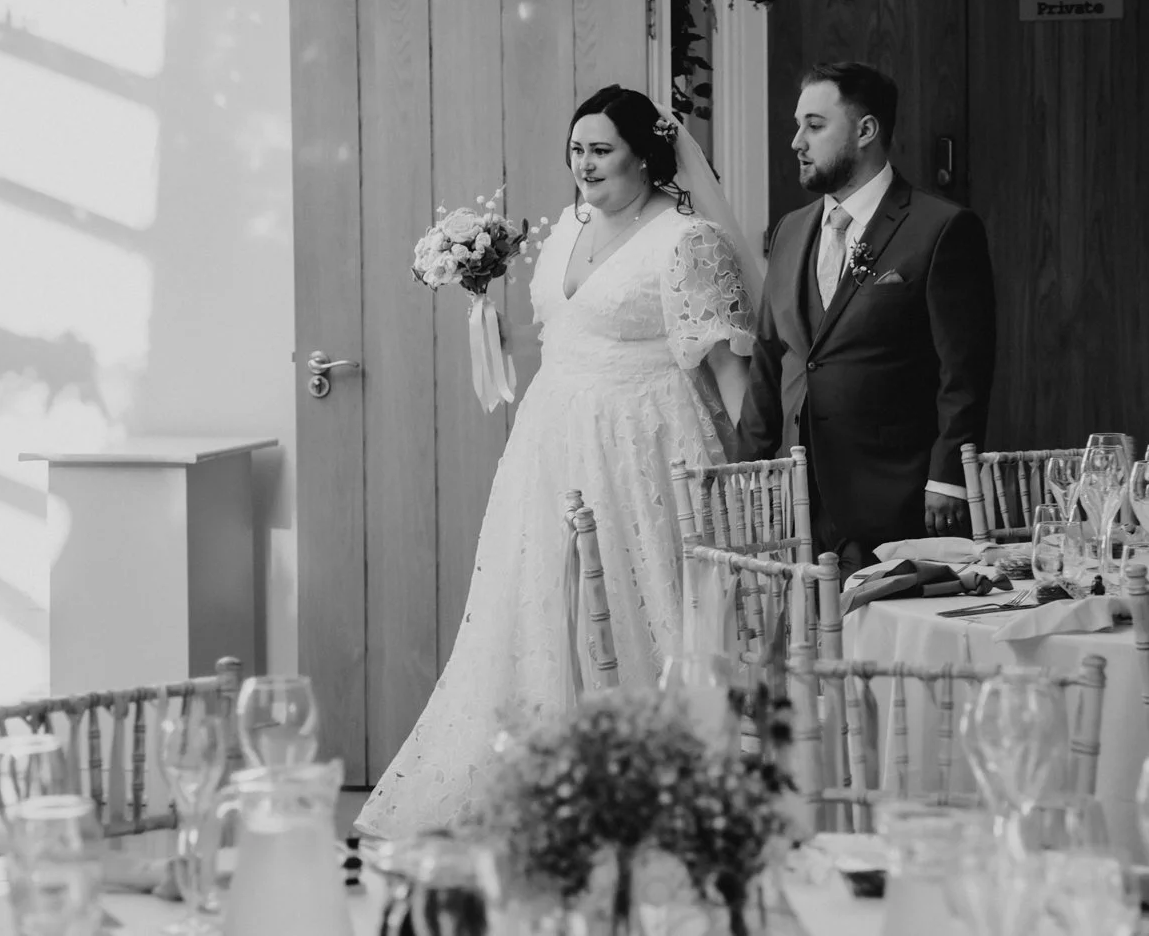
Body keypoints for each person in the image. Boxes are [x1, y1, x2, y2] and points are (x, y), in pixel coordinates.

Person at [355, 84, 763, 838]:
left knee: (646, 602)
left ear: (645, 153)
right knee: (542, 599)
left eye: (601, 149)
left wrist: (749, 473)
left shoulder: (686, 239)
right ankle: (555, 775)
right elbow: (564, 328)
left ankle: (654, 782)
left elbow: (729, 371)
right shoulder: (568, 227)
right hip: (550, 442)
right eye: (576, 149)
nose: (584, 165)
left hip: (643, 443)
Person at [738, 61, 997, 578]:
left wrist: (946, 476)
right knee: (808, 642)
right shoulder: (790, 230)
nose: (796, 141)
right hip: (797, 499)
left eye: (814, 125)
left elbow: (964, 369)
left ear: (866, 130)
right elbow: (771, 356)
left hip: (895, 492)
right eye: (798, 125)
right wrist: (747, 470)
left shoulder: (941, 228)